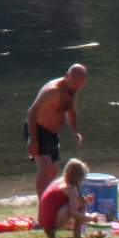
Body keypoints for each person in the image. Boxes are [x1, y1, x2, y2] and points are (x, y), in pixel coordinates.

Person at [25, 62, 87, 198]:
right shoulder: (52, 91)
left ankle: (50, 200)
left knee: (53, 171)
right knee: (45, 165)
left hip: (52, 134)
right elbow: (32, 112)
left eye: (80, 84)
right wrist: (33, 139)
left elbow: (72, 109)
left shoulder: (73, 89)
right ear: (67, 76)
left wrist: (75, 130)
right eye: (75, 82)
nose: (77, 86)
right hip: (38, 129)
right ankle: (43, 206)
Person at [39, 158, 92, 238]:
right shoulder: (71, 190)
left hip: (42, 219)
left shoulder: (59, 182)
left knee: (80, 201)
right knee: (82, 204)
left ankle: (50, 233)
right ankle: (77, 236)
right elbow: (74, 213)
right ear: (78, 178)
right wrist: (90, 218)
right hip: (53, 219)